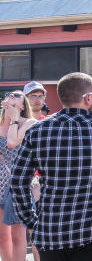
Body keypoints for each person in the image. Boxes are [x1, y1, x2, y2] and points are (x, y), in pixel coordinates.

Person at [10, 72, 92, 261]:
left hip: (50, 233)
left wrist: (31, 223)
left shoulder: (37, 132)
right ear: (88, 98)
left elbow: (17, 182)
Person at [0, 90, 36, 261]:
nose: (10, 96)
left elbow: (12, 142)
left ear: (22, 106)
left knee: (17, 235)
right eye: (9, 94)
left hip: (17, 186)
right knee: (2, 237)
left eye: (16, 95)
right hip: (0, 184)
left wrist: (13, 118)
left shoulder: (28, 123)